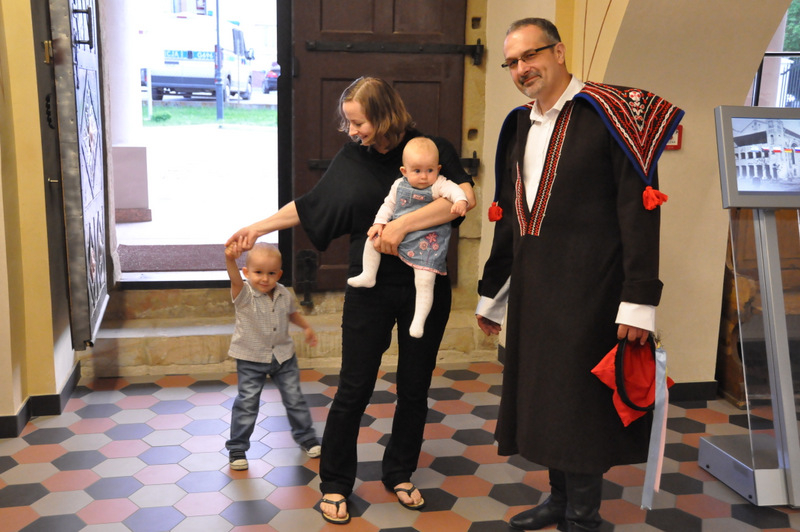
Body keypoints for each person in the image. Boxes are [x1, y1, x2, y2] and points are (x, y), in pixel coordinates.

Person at [226, 76, 475, 525]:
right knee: (353, 387)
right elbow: (312, 205)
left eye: (358, 122)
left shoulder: (430, 149)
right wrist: (258, 227)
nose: (352, 131)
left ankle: (399, 472)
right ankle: (336, 483)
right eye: (349, 123)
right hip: (370, 288)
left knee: (414, 387)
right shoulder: (353, 157)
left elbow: (464, 199)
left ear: (383, 115)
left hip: (425, 284)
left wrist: (400, 226)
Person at [475, 18, 683, 532]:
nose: (522, 69)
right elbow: (510, 216)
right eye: (512, 62)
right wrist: (493, 294)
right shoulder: (517, 125)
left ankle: (583, 518)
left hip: (593, 291)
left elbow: (640, 210)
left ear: (559, 51)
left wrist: (639, 300)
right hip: (535, 294)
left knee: (580, 410)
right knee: (548, 402)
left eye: (531, 55)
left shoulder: (613, 114)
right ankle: (559, 500)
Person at [347, 136, 469, 338]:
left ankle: (419, 320)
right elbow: (388, 205)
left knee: (425, 279)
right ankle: (368, 274)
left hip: (427, 242)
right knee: (371, 240)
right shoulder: (399, 185)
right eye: (417, 171)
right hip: (400, 237)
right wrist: (379, 223)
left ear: (438, 169)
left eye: (430, 170)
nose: (424, 176)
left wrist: (460, 201)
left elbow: (456, 190)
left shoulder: (439, 184)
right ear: (404, 171)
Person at [224, 242, 322, 471]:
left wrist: (306, 327)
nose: (265, 278)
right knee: (247, 403)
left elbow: (292, 314)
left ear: (279, 274)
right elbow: (234, 278)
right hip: (251, 358)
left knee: (294, 399)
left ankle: (306, 437)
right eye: (258, 272)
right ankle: (237, 447)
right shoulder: (244, 293)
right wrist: (230, 260)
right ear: (247, 272)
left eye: (271, 273)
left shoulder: (283, 293)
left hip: (283, 357)